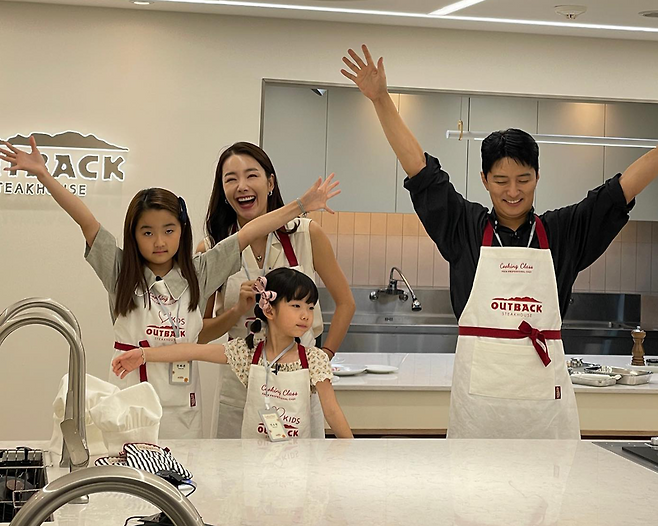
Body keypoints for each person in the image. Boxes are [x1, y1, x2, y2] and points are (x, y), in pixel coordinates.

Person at [341, 45, 658, 439]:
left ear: (537, 177)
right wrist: (381, 100)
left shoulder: (562, 233)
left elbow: (619, 192)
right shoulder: (464, 227)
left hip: (545, 408)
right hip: (479, 408)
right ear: (484, 179)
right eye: (501, 181)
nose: (512, 192)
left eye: (523, 180)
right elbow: (420, 171)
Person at [0, 137, 340, 439]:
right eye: (147, 232)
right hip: (130, 393)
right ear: (134, 235)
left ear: (182, 231)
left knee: (182, 474)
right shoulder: (120, 272)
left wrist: (300, 205)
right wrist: (44, 175)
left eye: (169, 230)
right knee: (130, 472)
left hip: (182, 401)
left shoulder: (200, 271)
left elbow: (250, 232)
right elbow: (86, 221)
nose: (159, 241)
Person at [197, 142, 355, 438]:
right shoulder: (212, 249)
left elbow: (346, 303)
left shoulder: (306, 234)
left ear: (270, 183)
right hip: (240, 385)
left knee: (302, 465)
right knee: (234, 466)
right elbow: (199, 334)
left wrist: (322, 358)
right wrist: (236, 311)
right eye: (231, 179)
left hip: (298, 383)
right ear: (223, 190)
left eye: (251, 175)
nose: (242, 186)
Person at [112, 268, 353, 439]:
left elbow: (332, 412)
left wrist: (352, 452)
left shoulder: (314, 360)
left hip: (300, 465)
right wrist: (143, 355)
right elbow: (193, 350)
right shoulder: (247, 353)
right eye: (296, 306)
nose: (306, 315)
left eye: (310, 307)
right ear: (269, 309)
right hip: (253, 462)